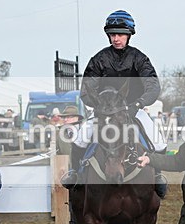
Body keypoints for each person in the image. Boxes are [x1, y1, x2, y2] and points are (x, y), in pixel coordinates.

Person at [63, 10, 167, 198]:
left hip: (133, 109)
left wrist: (138, 104)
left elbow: (153, 87)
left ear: (129, 35)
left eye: (120, 34)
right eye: (112, 35)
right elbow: (86, 89)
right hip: (104, 111)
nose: (116, 38)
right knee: (81, 138)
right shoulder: (99, 59)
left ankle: (158, 175)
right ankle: (75, 172)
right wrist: (98, 105)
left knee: (158, 140)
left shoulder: (139, 58)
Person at [54, 105, 84, 224]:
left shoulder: (86, 131)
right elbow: (59, 152)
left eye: (69, 117)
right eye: (64, 117)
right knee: (73, 209)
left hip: (86, 174)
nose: (66, 119)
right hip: (70, 175)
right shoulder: (61, 133)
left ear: (77, 118)